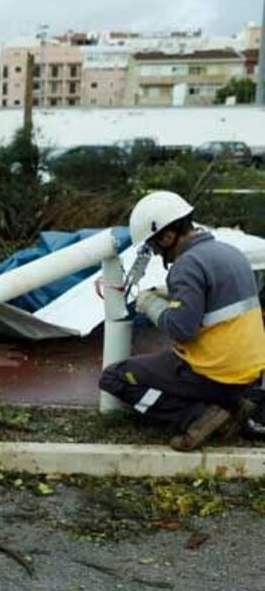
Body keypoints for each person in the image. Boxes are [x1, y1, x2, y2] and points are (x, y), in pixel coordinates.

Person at [100, 190, 265, 451]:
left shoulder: (187, 265)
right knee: (166, 363)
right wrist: (169, 292)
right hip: (248, 376)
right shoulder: (231, 253)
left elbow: (181, 329)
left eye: (153, 245)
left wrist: (150, 304)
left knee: (115, 378)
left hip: (213, 374)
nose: (154, 253)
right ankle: (231, 408)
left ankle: (197, 417)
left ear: (167, 235)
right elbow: (215, 296)